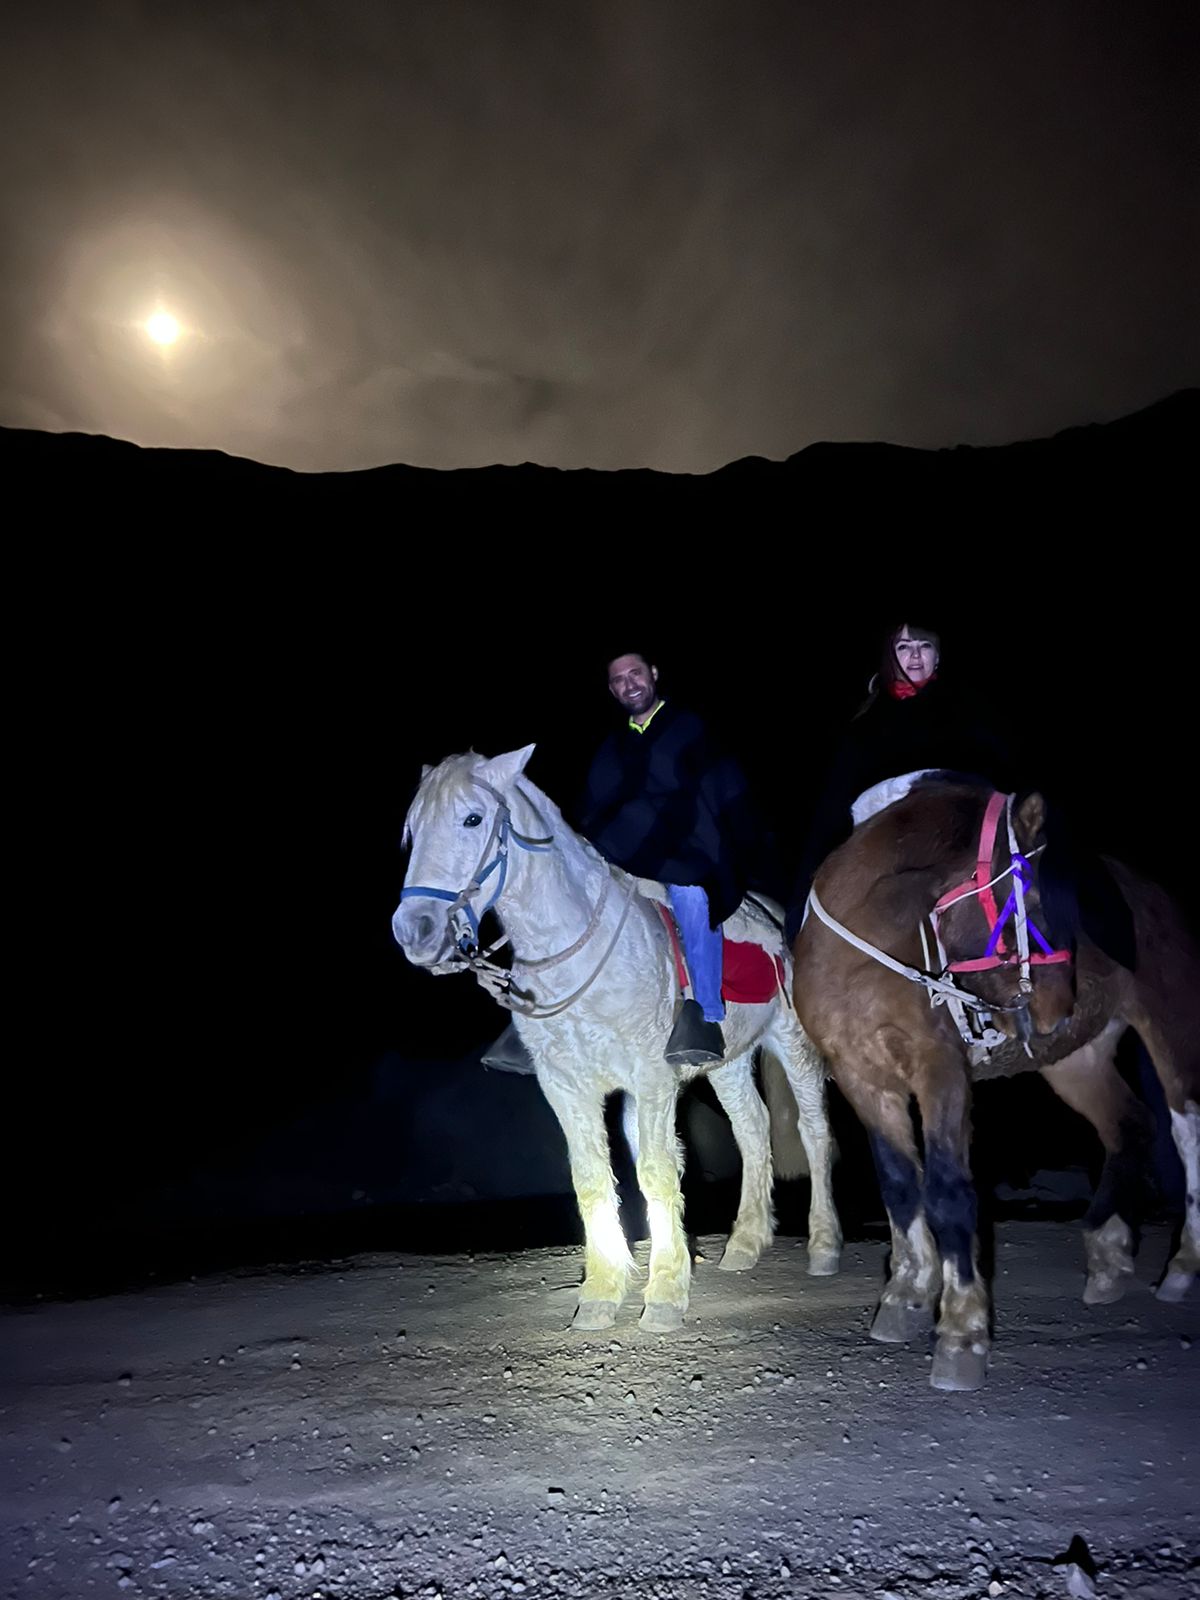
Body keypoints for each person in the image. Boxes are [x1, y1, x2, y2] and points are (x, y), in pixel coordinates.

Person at [483, 649, 766, 1072]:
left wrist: (741, 848)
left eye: (636, 673)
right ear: (612, 689)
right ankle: (534, 1015)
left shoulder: (690, 728)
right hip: (625, 850)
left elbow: (723, 793)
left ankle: (704, 1012)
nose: (629, 683)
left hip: (689, 847)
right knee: (555, 895)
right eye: (619, 679)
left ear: (653, 674)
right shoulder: (611, 748)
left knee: (691, 895)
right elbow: (591, 809)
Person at [784, 621, 1021, 943]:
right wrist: (801, 902)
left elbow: (999, 783)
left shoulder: (968, 713)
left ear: (937, 657)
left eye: (924, 646)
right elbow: (831, 809)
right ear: (890, 655)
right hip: (887, 851)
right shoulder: (867, 723)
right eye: (903, 646)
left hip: (958, 847)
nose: (914, 656)